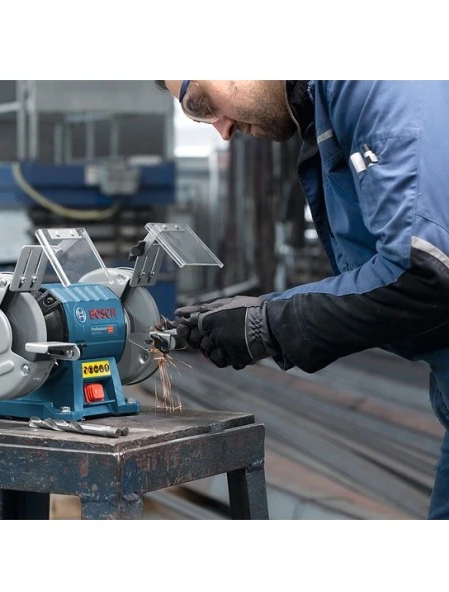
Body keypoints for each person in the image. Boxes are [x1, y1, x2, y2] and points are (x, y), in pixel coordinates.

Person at [157, 80, 449, 519]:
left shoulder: (372, 81)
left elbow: (425, 268)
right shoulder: (327, 108)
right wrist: (266, 311)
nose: (222, 130)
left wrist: (268, 324)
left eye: (201, 104)